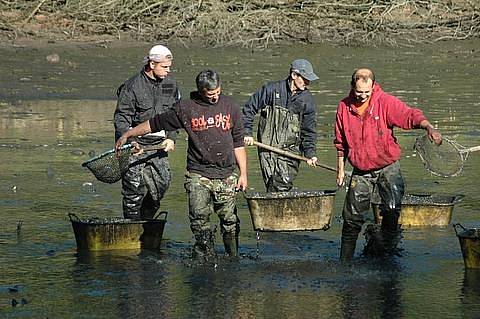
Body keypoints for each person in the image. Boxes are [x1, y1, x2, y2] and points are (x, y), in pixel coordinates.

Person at [115, 69, 247, 260]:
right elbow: (155, 123)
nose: (215, 97)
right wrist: (128, 134)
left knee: (230, 221)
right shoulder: (186, 108)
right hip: (198, 174)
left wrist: (243, 173)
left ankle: (233, 258)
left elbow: (238, 143)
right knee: (199, 221)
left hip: (227, 175)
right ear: (201, 91)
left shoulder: (231, 107)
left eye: (218, 92)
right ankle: (204, 259)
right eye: (210, 94)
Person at [334, 68, 442, 263]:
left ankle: (386, 256)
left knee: (391, 210)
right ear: (352, 87)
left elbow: (409, 115)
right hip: (361, 171)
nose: (363, 96)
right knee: (351, 219)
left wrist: (428, 126)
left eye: (367, 92)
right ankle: (344, 262)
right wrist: (341, 170)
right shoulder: (343, 107)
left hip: (387, 167)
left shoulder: (385, 102)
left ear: (373, 87)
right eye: (359, 92)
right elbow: (340, 142)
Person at [113, 44, 180, 220]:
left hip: (158, 145)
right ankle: (132, 229)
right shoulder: (132, 86)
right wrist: (130, 142)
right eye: (164, 67)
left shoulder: (171, 85)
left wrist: (172, 138)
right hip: (134, 145)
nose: (168, 70)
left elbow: (175, 114)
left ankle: (147, 220)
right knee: (133, 191)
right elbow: (122, 117)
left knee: (162, 185)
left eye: (169, 67)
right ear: (152, 64)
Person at [242, 59, 319, 192]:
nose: (307, 83)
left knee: (282, 183)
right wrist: (247, 133)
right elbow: (249, 109)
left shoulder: (307, 100)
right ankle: (280, 211)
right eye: (305, 79)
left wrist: (310, 153)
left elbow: (309, 130)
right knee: (272, 185)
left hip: (291, 150)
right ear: (294, 75)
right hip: (266, 149)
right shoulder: (271, 90)